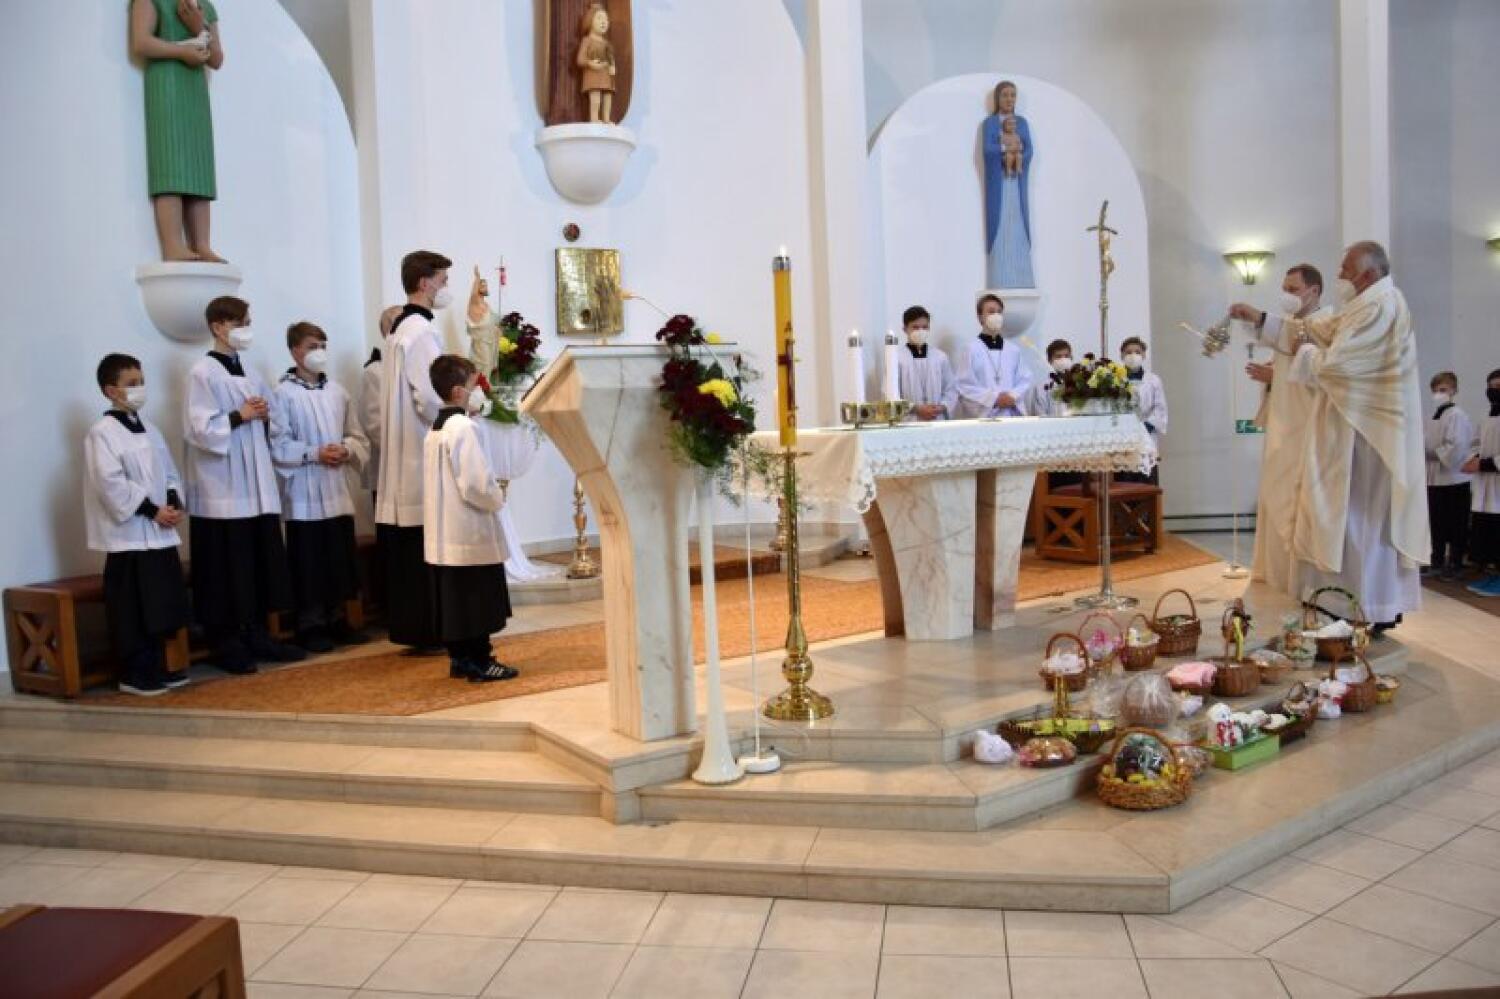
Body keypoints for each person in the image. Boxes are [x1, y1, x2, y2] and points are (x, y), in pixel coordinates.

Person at [1231, 241, 1428, 631]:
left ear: (1367, 274)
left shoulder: (1381, 306)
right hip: (1351, 428)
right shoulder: (1364, 305)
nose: (1339, 275)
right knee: (1344, 522)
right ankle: (1342, 603)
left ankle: (1367, 606)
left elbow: (1339, 365)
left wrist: (1305, 353)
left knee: (1360, 525)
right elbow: (1316, 329)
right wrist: (1262, 318)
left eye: (1345, 270)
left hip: (1367, 436)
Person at [183, 296, 305, 672]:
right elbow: (199, 429)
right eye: (239, 323)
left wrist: (266, 416)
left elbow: (276, 421)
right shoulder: (202, 372)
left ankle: (256, 633)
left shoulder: (251, 373)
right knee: (224, 567)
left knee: (256, 563)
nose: (245, 330)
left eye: (247, 322)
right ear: (218, 327)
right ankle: (226, 641)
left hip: (256, 485)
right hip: (222, 488)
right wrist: (240, 414)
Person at [85, 354, 192, 696]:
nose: (139, 388)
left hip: (159, 532)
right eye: (131, 384)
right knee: (133, 606)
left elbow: (169, 472)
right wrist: (150, 510)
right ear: (110, 390)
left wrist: (172, 503)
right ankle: (134, 671)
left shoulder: (151, 429)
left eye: (141, 381)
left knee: (160, 602)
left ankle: (159, 665)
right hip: (129, 536)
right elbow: (110, 483)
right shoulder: (102, 433)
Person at [273, 322, 371, 653]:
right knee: (308, 562)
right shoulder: (282, 394)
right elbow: (278, 444)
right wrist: (314, 453)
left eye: (323, 346)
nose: (319, 352)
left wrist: (346, 449)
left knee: (337, 559)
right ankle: (310, 624)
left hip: (335, 489)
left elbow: (357, 435)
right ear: (295, 351)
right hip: (303, 492)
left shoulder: (337, 392)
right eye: (312, 346)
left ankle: (337, 618)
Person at [376, 251, 453, 651]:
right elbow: (429, 396)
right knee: (424, 544)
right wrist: (459, 413)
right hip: (418, 451)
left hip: (402, 454)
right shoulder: (421, 332)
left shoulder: (399, 330)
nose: (445, 288)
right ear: (424, 283)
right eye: (442, 280)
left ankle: (414, 628)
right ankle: (429, 629)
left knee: (410, 547)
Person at [424, 355, 518, 683]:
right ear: (457, 392)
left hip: (444, 531)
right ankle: (480, 660)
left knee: (457, 601)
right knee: (477, 600)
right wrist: (497, 497)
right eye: (472, 385)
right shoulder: (464, 428)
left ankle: (461, 658)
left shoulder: (436, 428)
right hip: (468, 529)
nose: (477, 391)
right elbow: (475, 484)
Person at [1246, 264, 1331, 592]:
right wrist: (1274, 376)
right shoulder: (1295, 325)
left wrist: (1276, 375)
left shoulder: (1325, 324)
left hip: (1306, 427)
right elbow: (1288, 350)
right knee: (1274, 493)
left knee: (1294, 499)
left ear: (1314, 290)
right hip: (1284, 424)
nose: (1287, 295)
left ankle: (1297, 576)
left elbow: (1322, 374)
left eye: (1293, 289)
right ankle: (1274, 570)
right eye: (1285, 289)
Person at [129, 0, 225, 262]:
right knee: (170, 161)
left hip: (195, 89)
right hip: (167, 83)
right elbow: (141, 42)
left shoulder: (205, 6)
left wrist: (199, 28)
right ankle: (173, 244)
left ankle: (202, 244)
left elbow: (217, 58)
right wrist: (181, 52)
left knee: (199, 165)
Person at [1424, 371, 1476, 580]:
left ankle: (1455, 563)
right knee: (1436, 522)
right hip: (1434, 477)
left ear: (1454, 390)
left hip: (1454, 478)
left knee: (1455, 523)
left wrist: (1432, 452)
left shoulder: (1457, 415)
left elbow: (1458, 446)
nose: (1439, 393)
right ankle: (1436, 559)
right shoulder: (1432, 416)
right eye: (1435, 390)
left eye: (1443, 389)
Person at [956, 294, 1031, 419]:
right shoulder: (971, 349)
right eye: (991, 312)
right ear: (980, 317)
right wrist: (994, 399)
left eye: (999, 312)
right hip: (985, 418)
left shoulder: (1013, 350)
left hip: (1011, 416)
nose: (996, 315)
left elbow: (1024, 380)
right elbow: (964, 385)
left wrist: (1012, 396)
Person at [1461, 369, 1500, 597]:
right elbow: (1475, 442)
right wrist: (1472, 458)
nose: (1494, 391)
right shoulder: (1486, 418)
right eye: (1491, 386)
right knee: (1488, 533)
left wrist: (1483, 464)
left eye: (1499, 387)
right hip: (1485, 486)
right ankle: (1493, 575)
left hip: (1495, 479)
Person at [359, 305, 402, 506]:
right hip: (391, 467)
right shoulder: (375, 372)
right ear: (389, 332)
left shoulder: (417, 365)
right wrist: (405, 454)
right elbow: (374, 424)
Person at [1118, 336, 1167, 485]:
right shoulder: (1116, 380)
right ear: (1122, 355)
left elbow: (1160, 408)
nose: (1133, 356)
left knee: (1146, 480)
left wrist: (1146, 426)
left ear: (1144, 355)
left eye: (1137, 352)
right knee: (1124, 480)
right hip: (1123, 437)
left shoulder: (1153, 380)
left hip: (1147, 436)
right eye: (1128, 352)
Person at [896, 306, 957, 421]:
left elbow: (951, 390)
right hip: (910, 421)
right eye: (915, 327)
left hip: (937, 419)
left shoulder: (940, 357)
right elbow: (891, 394)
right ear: (905, 329)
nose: (920, 331)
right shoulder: (897, 359)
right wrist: (917, 409)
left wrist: (941, 407)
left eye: (924, 327)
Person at [1023, 338, 1073, 417]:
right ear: (1049, 360)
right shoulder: (1041, 389)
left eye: (1066, 356)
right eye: (1058, 357)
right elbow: (1040, 416)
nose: (1063, 360)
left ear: (1071, 358)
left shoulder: (1080, 385)